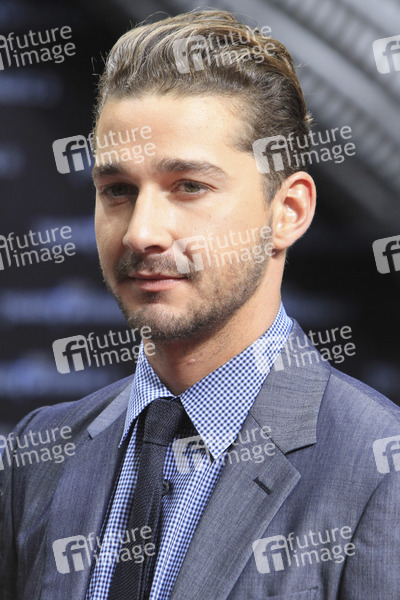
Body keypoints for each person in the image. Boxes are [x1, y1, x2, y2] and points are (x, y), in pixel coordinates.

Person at [1, 9, 400, 600]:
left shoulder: (380, 467)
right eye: (117, 190)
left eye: (189, 186)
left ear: (288, 211)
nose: (141, 232)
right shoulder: (41, 451)